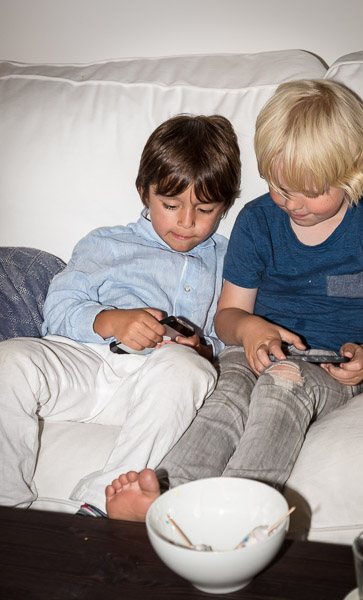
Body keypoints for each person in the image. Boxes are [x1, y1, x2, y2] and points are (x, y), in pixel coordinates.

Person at [104, 79, 363, 522]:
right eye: (281, 187)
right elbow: (227, 317)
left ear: (353, 172)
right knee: (225, 399)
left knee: (280, 390)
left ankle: (240, 512)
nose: (293, 203)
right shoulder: (258, 221)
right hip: (253, 352)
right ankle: (168, 500)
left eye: (311, 190)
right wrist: (249, 327)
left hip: (330, 365)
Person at [0, 114, 241, 516]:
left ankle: (100, 504)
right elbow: (58, 308)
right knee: (9, 360)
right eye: (171, 205)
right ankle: (6, 507)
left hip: (154, 387)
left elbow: (229, 328)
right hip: (85, 363)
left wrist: (202, 347)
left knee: (187, 369)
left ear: (226, 205)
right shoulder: (106, 243)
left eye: (205, 208)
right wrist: (112, 321)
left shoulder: (228, 261)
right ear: (145, 193)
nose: (186, 222)